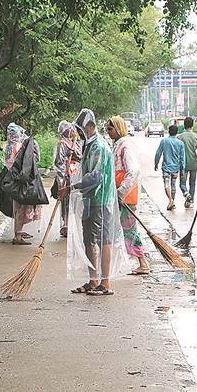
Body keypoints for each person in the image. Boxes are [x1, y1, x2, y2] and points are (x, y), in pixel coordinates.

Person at [62, 109, 131, 296]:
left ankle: (105, 282)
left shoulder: (99, 146)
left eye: (81, 128)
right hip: (90, 199)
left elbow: (96, 176)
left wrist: (73, 187)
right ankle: (93, 280)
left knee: (103, 239)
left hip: (101, 201)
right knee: (89, 240)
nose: (79, 132)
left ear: (89, 126)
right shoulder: (89, 146)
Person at [105, 116, 150, 275]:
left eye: (110, 129)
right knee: (122, 229)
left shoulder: (125, 147)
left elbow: (133, 171)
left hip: (125, 195)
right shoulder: (118, 145)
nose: (108, 132)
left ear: (118, 129)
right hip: (118, 194)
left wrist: (121, 192)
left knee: (129, 229)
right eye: (107, 130)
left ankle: (143, 262)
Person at [4, 123, 43, 245]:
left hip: (12, 179)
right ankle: (18, 235)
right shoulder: (18, 147)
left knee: (17, 207)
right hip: (20, 181)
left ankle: (18, 232)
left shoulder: (9, 147)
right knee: (21, 208)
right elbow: (29, 162)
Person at [54, 121, 81, 237]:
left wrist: (75, 154)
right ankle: (65, 225)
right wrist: (62, 178)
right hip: (66, 175)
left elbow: (81, 157)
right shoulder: (62, 144)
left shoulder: (75, 143)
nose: (70, 132)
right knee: (65, 202)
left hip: (76, 175)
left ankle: (73, 224)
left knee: (75, 201)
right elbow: (58, 162)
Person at [154, 125, 185, 210]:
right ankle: (172, 202)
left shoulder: (164, 141)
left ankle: (171, 200)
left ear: (169, 131)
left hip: (166, 167)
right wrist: (182, 169)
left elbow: (158, 153)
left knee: (166, 184)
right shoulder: (180, 143)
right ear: (177, 132)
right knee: (173, 185)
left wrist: (156, 164)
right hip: (176, 167)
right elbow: (182, 158)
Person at [177, 117, 197, 208]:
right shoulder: (196, 137)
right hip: (193, 163)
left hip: (183, 164)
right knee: (192, 183)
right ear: (192, 125)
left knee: (182, 183)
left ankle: (186, 193)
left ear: (184, 125)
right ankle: (191, 200)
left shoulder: (179, 137)